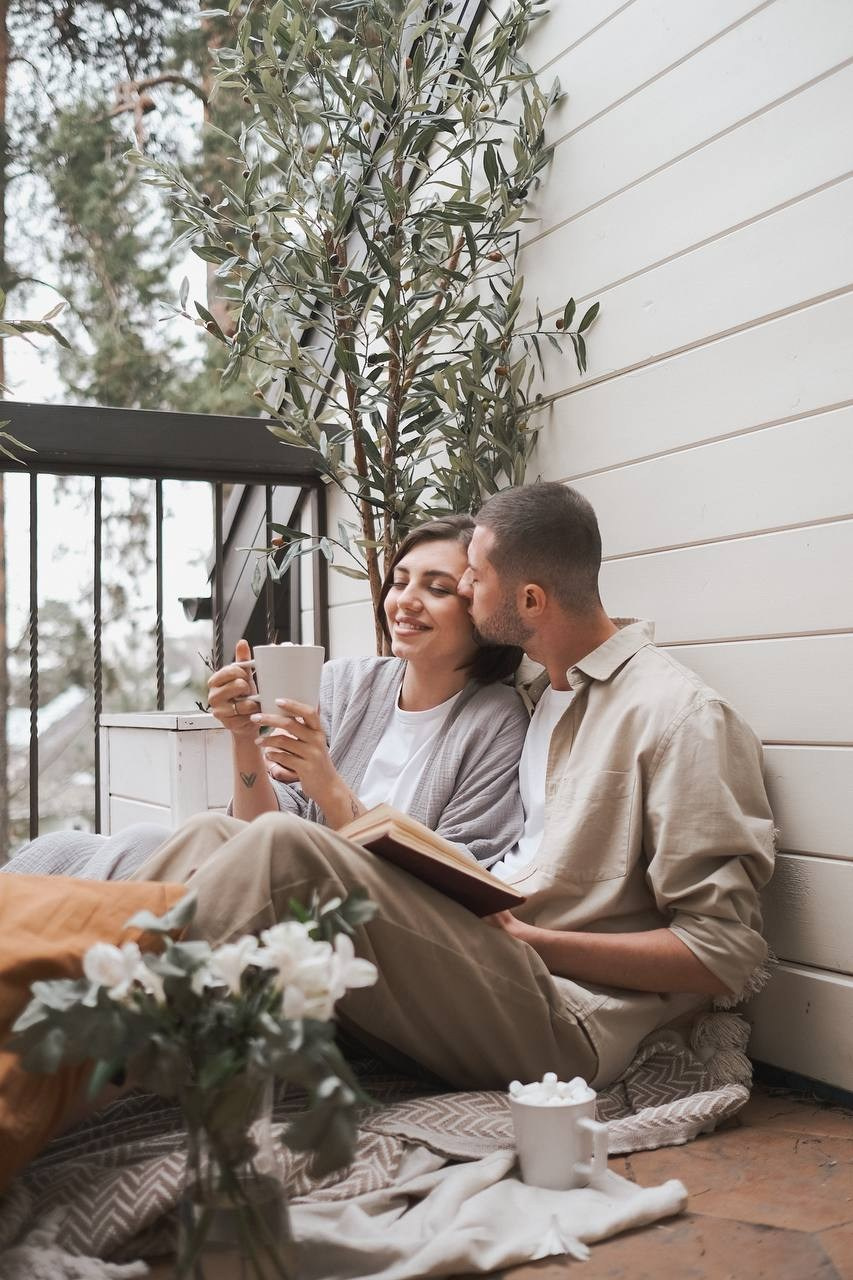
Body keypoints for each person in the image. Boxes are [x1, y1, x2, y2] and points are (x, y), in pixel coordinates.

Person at [126, 482, 775, 1093]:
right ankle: (68, 975)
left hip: (565, 1012)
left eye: (471, 578)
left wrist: (531, 942)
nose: (462, 588)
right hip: (476, 955)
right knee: (210, 831)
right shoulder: (533, 693)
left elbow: (723, 953)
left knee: (286, 847)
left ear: (529, 600)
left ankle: (93, 1023)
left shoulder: (676, 715)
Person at [2, 515, 527, 879]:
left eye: (436, 588)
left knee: (158, 842)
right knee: (62, 848)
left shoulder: (495, 720)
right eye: (400, 580)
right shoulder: (347, 683)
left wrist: (330, 788)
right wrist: (245, 740)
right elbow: (259, 831)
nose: (404, 601)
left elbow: (462, 874)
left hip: (357, 920)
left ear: (479, 609)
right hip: (275, 875)